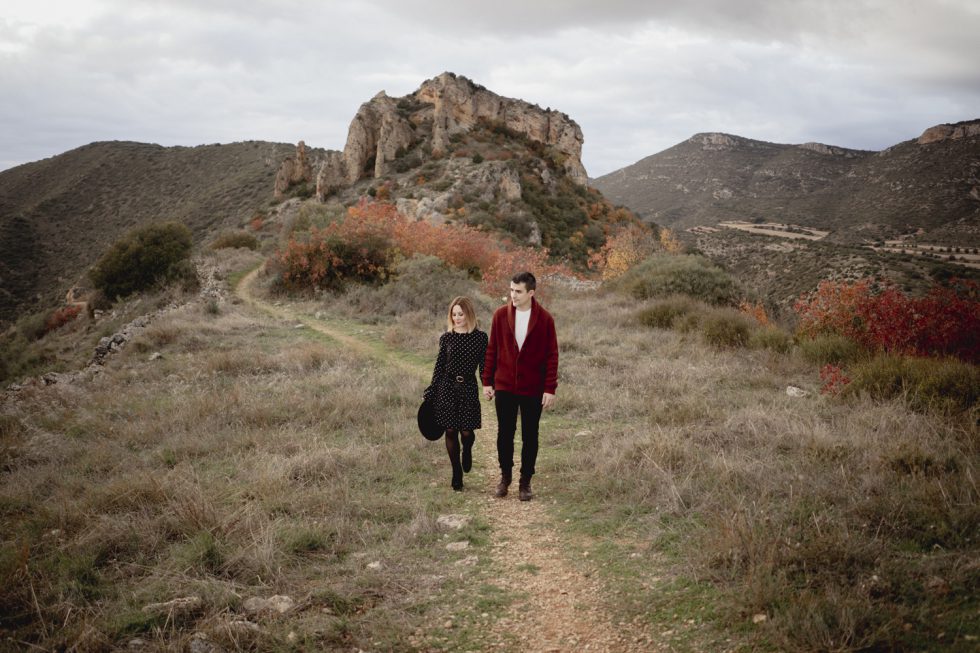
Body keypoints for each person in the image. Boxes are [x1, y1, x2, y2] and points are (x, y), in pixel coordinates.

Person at [482, 271, 558, 501]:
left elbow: (552, 355)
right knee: (504, 434)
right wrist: (487, 381)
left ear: (531, 293)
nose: (512, 295)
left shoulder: (545, 319)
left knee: (530, 436)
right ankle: (505, 477)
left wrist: (549, 388)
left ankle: (525, 482)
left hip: (533, 388)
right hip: (504, 385)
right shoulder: (499, 315)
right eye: (511, 290)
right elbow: (492, 349)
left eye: (518, 291)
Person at [423, 296, 488, 491]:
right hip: (447, 386)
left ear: (469, 314)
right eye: (454, 314)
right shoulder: (447, 337)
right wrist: (432, 389)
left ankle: (467, 449)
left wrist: (488, 384)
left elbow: (484, 366)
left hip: (468, 386)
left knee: (467, 432)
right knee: (450, 430)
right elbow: (439, 366)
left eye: (461, 314)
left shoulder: (480, 337)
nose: (457, 318)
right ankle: (456, 472)